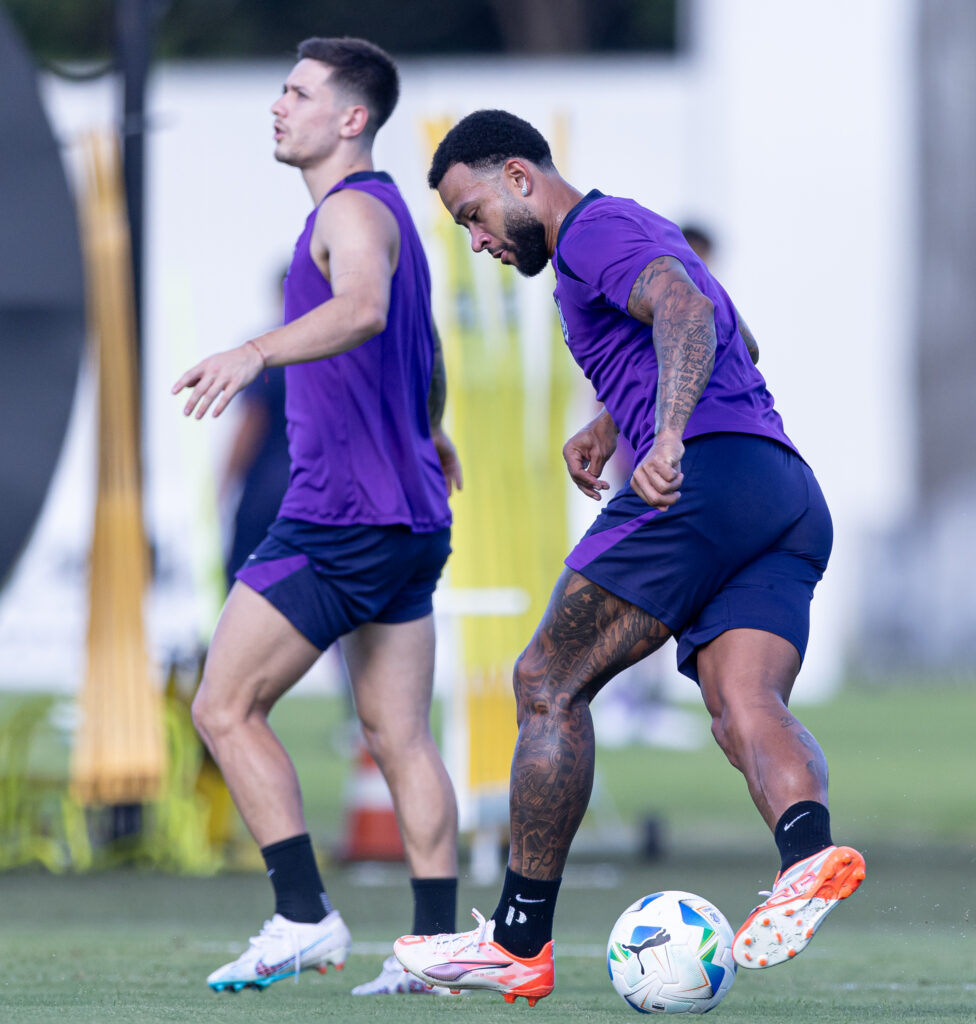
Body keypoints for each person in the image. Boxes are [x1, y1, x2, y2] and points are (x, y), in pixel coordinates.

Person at [392, 109, 865, 1005]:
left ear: (521, 177)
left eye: (474, 215)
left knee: (545, 680)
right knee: (740, 703)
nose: (480, 240)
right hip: (783, 491)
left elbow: (686, 311)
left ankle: (518, 941)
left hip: (703, 482)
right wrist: (615, 419)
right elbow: (737, 334)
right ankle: (809, 856)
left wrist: (668, 435)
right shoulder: (639, 229)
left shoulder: (592, 233)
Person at [172, 37, 463, 997]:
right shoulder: (384, 214)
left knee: (223, 704)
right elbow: (422, 349)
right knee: (399, 737)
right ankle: (429, 947)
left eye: (297, 93)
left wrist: (254, 353)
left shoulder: (347, 210)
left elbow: (369, 310)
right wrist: (431, 432)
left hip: (341, 519)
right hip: (409, 518)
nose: (277, 106)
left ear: (351, 119)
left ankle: (302, 915)